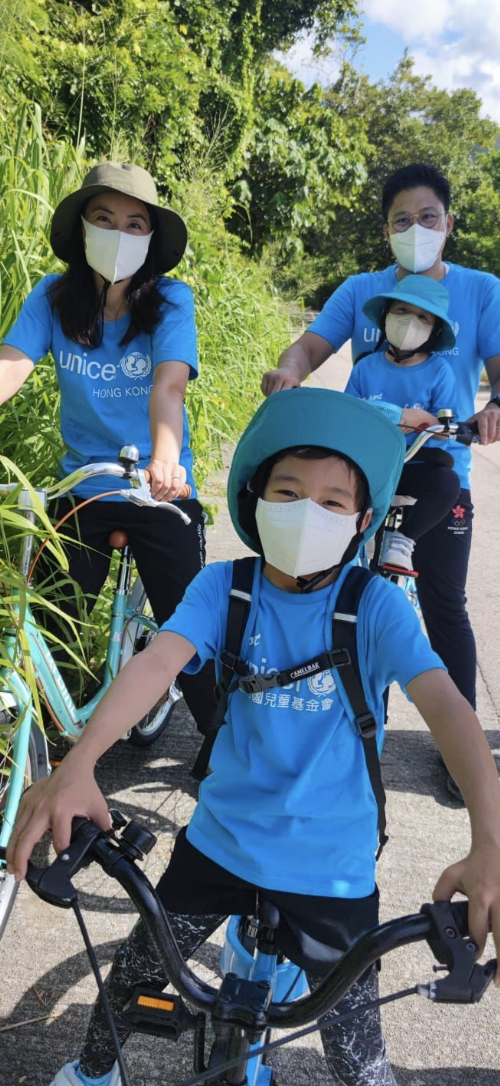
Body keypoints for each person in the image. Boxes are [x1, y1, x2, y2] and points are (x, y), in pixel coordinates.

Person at [7, 389, 500, 1086]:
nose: (307, 512)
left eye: (332, 503)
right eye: (288, 491)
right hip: (221, 844)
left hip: (333, 868)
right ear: (256, 500)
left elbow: (449, 709)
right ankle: (90, 1074)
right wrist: (79, 761)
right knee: (129, 985)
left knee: (361, 1061)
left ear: (362, 521)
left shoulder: (375, 606)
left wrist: (490, 841)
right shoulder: (222, 590)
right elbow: (155, 664)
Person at [262, 162, 500, 711]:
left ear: (449, 222)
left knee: (444, 603)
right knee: (336, 590)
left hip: (441, 468)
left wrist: (492, 412)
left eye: (428, 217)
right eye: (401, 220)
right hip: (367, 473)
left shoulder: (482, 291)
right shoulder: (360, 292)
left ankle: (457, 738)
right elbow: (307, 349)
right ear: (385, 230)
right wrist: (290, 372)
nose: (415, 229)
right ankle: (342, 712)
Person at [0, 161, 216, 738]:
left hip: (157, 488)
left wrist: (165, 460)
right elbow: (8, 368)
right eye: (104, 218)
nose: (119, 235)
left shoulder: (170, 301)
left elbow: (169, 386)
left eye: (135, 224)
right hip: (84, 488)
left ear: (151, 239)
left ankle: (226, 745)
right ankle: (46, 739)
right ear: (83, 229)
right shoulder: (52, 297)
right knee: (49, 622)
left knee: (186, 625)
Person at [345, 274, 461, 571]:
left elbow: (445, 429)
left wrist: (426, 421)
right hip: (371, 465)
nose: (411, 322)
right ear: (385, 316)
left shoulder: (439, 371)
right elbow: (347, 415)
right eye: (402, 311)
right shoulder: (365, 368)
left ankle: (403, 541)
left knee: (448, 482)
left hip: (413, 463)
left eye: (423, 317)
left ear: (434, 330)